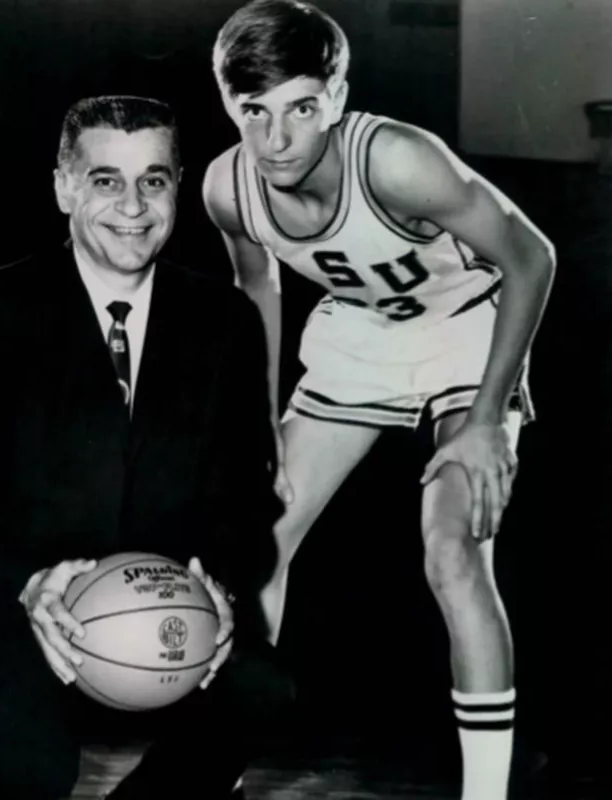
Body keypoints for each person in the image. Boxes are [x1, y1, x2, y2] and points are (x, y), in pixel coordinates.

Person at [0, 94, 293, 800]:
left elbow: (247, 499)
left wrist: (217, 586)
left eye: (153, 180)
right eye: (106, 180)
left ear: (178, 187)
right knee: (31, 770)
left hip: (157, 611)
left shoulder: (223, 322)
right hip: (11, 610)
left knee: (267, 692)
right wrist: (28, 583)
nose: (132, 205)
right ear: (65, 187)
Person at [202, 2, 556, 799]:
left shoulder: (397, 160)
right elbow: (254, 285)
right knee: (254, 535)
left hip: (465, 329)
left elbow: (532, 258)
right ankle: (217, 762)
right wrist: (260, 428)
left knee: (451, 546)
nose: (277, 139)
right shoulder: (227, 187)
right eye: (253, 111)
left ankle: (487, 793)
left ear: (338, 94)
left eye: (300, 107)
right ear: (228, 103)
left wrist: (490, 421)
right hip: (358, 339)